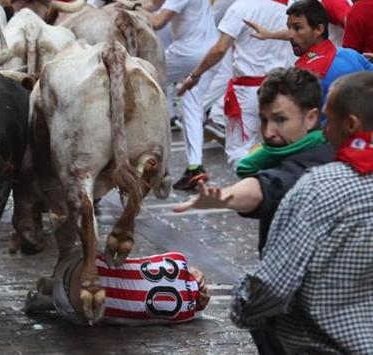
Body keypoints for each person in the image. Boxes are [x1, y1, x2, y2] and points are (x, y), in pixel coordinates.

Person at [174, 68, 333, 353]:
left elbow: (265, 189)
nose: (269, 132)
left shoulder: (313, 164)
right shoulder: (300, 153)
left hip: (305, 323)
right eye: (264, 119)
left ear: (311, 117)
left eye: (281, 120)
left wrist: (222, 198)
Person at [231, 71, 373, 353]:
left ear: (350, 124)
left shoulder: (319, 187)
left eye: (327, 122)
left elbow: (273, 286)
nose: (325, 131)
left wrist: (242, 307)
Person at [178, 0, 294, 168]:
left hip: (247, 94)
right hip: (281, 91)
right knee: (276, 148)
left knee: (238, 154)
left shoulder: (241, 7)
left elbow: (219, 49)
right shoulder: (285, 9)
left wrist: (195, 75)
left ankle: (253, 195)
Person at [136, 0, 222, 189]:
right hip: (204, 54)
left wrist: (127, 14)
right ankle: (195, 167)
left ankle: (144, 157)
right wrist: (128, 4)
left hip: (189, 54)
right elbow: (152, 3)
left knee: (140, 79)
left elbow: (159, 19)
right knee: (192, 107)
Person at [24, 250, 209, 326]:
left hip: (73, 266)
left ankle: (54, 283)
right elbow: (135, 322)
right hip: (71, 307)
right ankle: (51, 300)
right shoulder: (184, 315)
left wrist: (192, 271)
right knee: (107, 314)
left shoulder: (178, 258)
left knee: (102, 258)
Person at [245, 0, 373, 100]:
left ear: (319, 29)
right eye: (289, 28)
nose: (290, 35)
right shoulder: (352, 55)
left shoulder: (304, 75)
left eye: (297, 28)